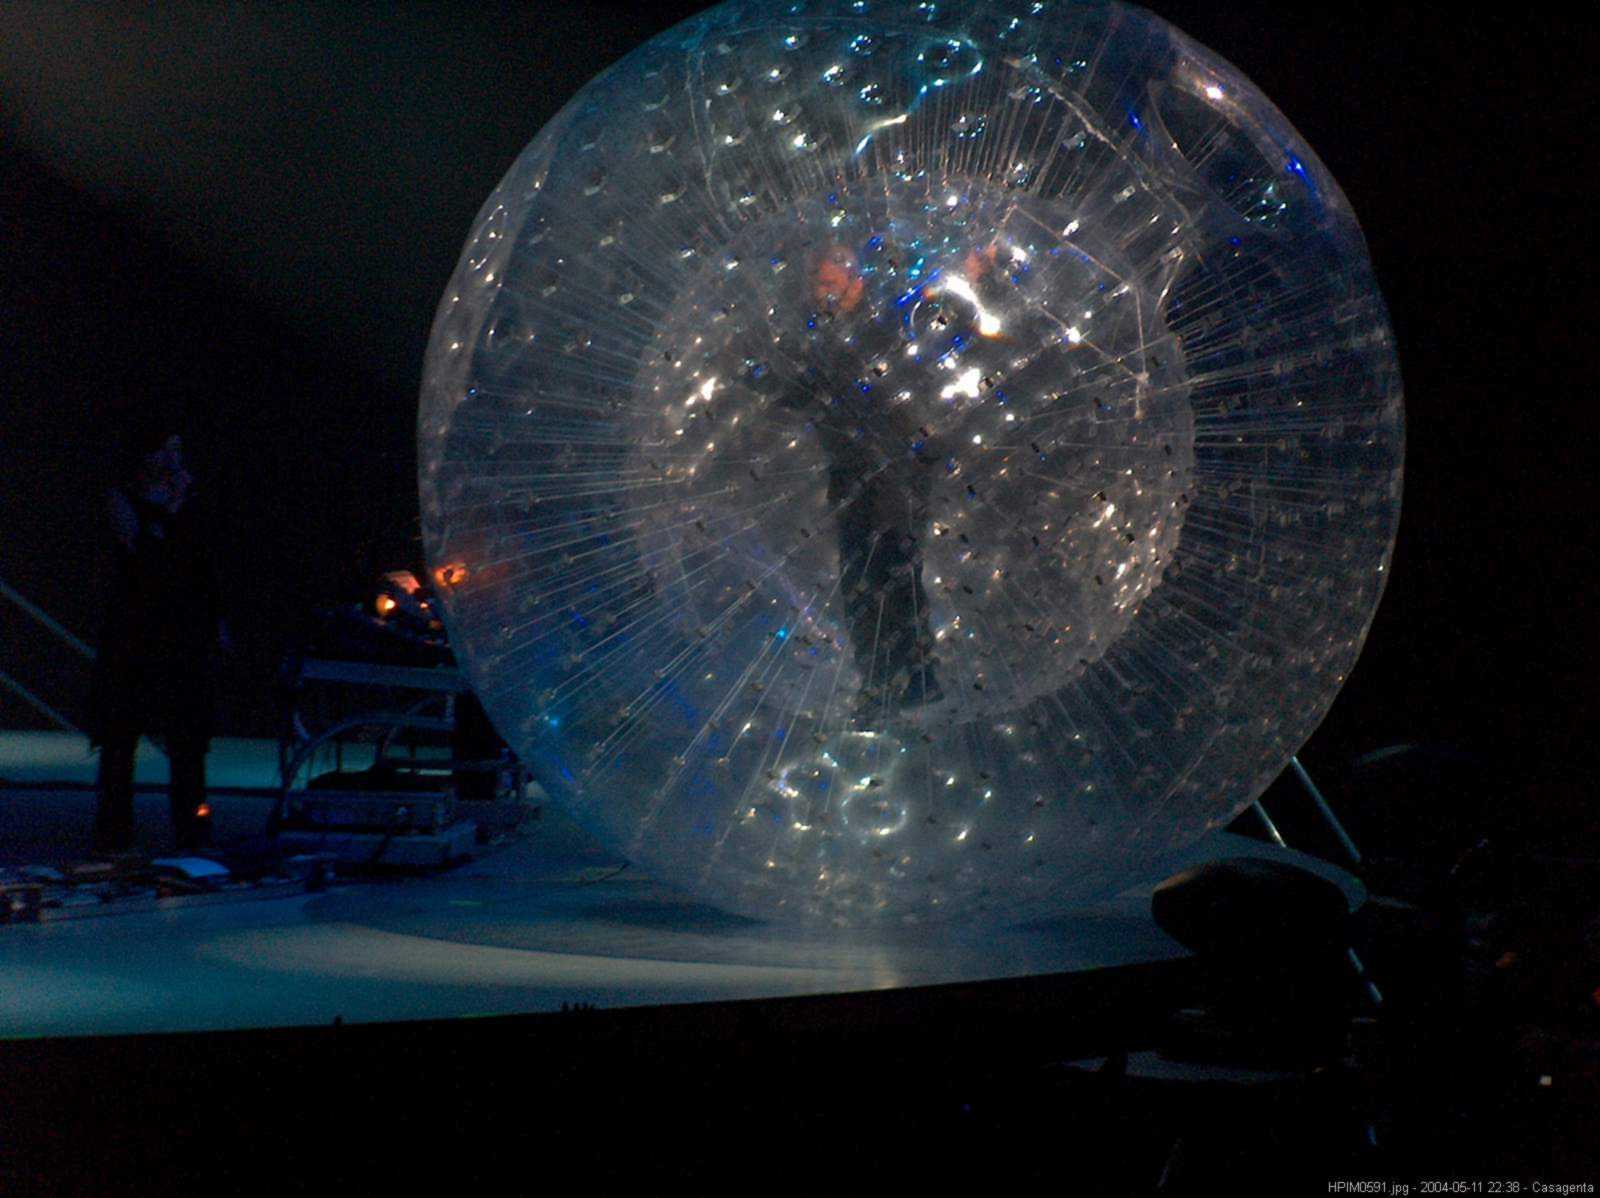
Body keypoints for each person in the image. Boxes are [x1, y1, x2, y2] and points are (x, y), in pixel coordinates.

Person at [87, 424, 227, 854]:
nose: (172, 460)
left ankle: (191, 829)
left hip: (183, 632)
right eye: (164, 451)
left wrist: (216, 623)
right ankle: (113, 832)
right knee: (121, 736)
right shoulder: (122, 499)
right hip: (135, 630)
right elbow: (143, 556)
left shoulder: (191, 501)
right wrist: (172, 510)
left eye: (176, 450)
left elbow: (203, 566)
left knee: (187, 739)